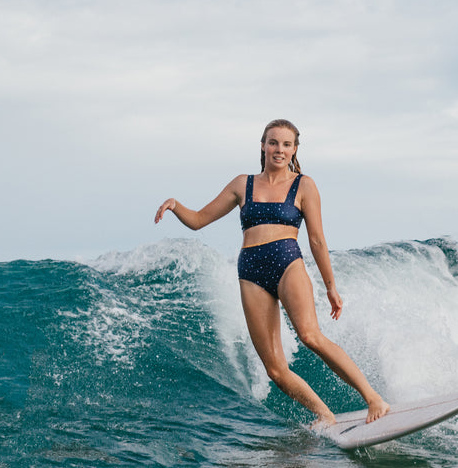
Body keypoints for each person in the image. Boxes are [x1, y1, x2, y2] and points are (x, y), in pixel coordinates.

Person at [154, 119, 390, 425]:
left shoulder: (304, 185)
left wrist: (331, 287)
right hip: (250, 269)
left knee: (310, 335)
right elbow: (199, 219)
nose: (279, 149)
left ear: (294, 150)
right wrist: (175, 205)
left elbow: (316, 239)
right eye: (274, 142)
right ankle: (325, 415)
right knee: (275, 370)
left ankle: (374, 399)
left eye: (287, 144)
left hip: (286, 261)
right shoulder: (243, 184)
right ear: (263, 146)